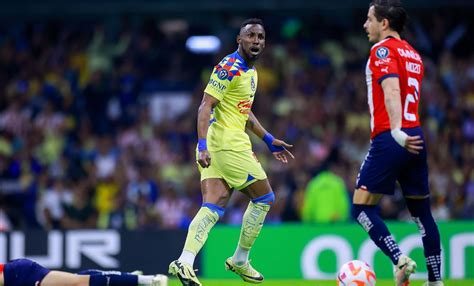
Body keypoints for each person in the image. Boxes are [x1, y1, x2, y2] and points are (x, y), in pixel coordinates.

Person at [168, 18, 294, 286]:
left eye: (260, 36)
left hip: (219, 143)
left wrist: (268, 139)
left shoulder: (252, 73)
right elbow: (205, 106)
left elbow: (243, 111)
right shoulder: (229, 67)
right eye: (250, 36)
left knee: (213, 204)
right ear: (239, 39)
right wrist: (201, 145)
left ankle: (185, 262)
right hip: (227, 144)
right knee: (265, 198)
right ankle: (240, 259)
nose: (256, 41)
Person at [352, 1, 443, 286]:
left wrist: (395, 130)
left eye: (369, 20)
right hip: (416, 137)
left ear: (384, 23)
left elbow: (391, 89)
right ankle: (435, 281)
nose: (365, 25)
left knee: (361, 208)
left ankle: (399, 258)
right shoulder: (414, 55)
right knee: (422, 215)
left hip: (392, 137)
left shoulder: (381, 50)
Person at [0, 258, 167, 286]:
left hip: (20, 275)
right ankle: (129, 277)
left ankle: (149, 281)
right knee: (78, 279)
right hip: (15, 276)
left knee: (80, 283)